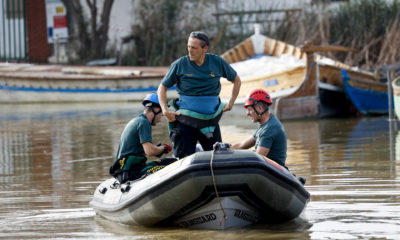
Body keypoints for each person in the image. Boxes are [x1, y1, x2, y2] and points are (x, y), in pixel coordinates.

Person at [157, 31, 241, 158]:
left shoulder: (217, 62)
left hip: (211, 121)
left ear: (204, 48)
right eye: (188, 47)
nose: (190, 51)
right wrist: (164, 110)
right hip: (185, 121)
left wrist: (231, 102)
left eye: (194, 48)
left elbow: (237, 80)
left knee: (219, 158)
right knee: (182, 159)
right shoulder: (179, 64)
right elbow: (162, 87)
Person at [109, 93, 174, 184]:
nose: (162, 116)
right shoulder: (144, 123)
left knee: (171, 161)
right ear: (155, 109)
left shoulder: (138, 120)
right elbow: (149, 151)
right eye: (162, 113)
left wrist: (161, 149)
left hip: (127, 168)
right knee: (171, 167)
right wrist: (164, 148)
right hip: (130, 171)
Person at [231, 89, 287, 167]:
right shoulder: (266, 124)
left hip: (271, 172)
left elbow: (258, 159)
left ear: (260, 108)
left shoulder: (269, 128)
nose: (247, 114)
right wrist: (225, 149)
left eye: (249, 110)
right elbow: (241, 146)